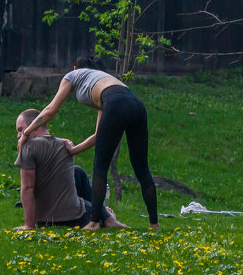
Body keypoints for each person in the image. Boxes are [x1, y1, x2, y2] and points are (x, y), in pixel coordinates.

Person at [18, 56, 159, 230]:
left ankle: (93, 223)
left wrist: (26, 133)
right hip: (137, 105)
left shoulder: (72, 76)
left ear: (75, 67)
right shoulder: (104, 82)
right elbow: (98, 135)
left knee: (100, 165)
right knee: (142, 168)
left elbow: (50, 110)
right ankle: (154, 224)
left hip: (115, 104)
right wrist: (74, 150)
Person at [14, 108, 127, 229]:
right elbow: (29, 188)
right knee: (99, 209)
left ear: (35, 126)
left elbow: (28, 187)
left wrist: (29, 225)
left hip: (44, 221)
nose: (19, 135)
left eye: (21, 130)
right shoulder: (64, 144)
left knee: (76, 171)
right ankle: (107, 217)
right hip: (75, 219)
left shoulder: (29, 147)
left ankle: (104, 215)